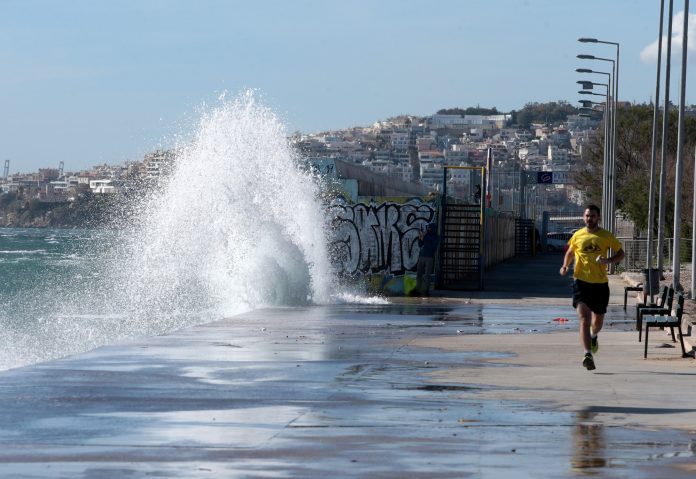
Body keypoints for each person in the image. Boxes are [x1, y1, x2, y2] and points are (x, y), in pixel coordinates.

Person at [559, 205, 624, 371]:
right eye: (587, 216)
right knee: (584, 319)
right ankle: (587, 354)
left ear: (598, 218)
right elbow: (570, 253)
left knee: (597, 322)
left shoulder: (606, 236)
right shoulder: (578, 235)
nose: (590, 219)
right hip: (580, 282)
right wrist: (565, 266)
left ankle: (593, 336)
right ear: (583, 217)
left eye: (593, 216)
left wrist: (608, 261)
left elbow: (621, 253)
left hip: (600, 285)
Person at [416, 222, 439, 296]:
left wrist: (424, 238)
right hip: (422, 256)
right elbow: (420, 244)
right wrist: (420, 238)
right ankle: (418, 289)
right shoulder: (427, 235)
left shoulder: (435, 237)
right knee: (419, 274)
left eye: (429, 228)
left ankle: (426, 291)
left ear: (432, 228)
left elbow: (432, 247)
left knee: (427, 275)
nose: (428, 229)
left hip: (429, 257)